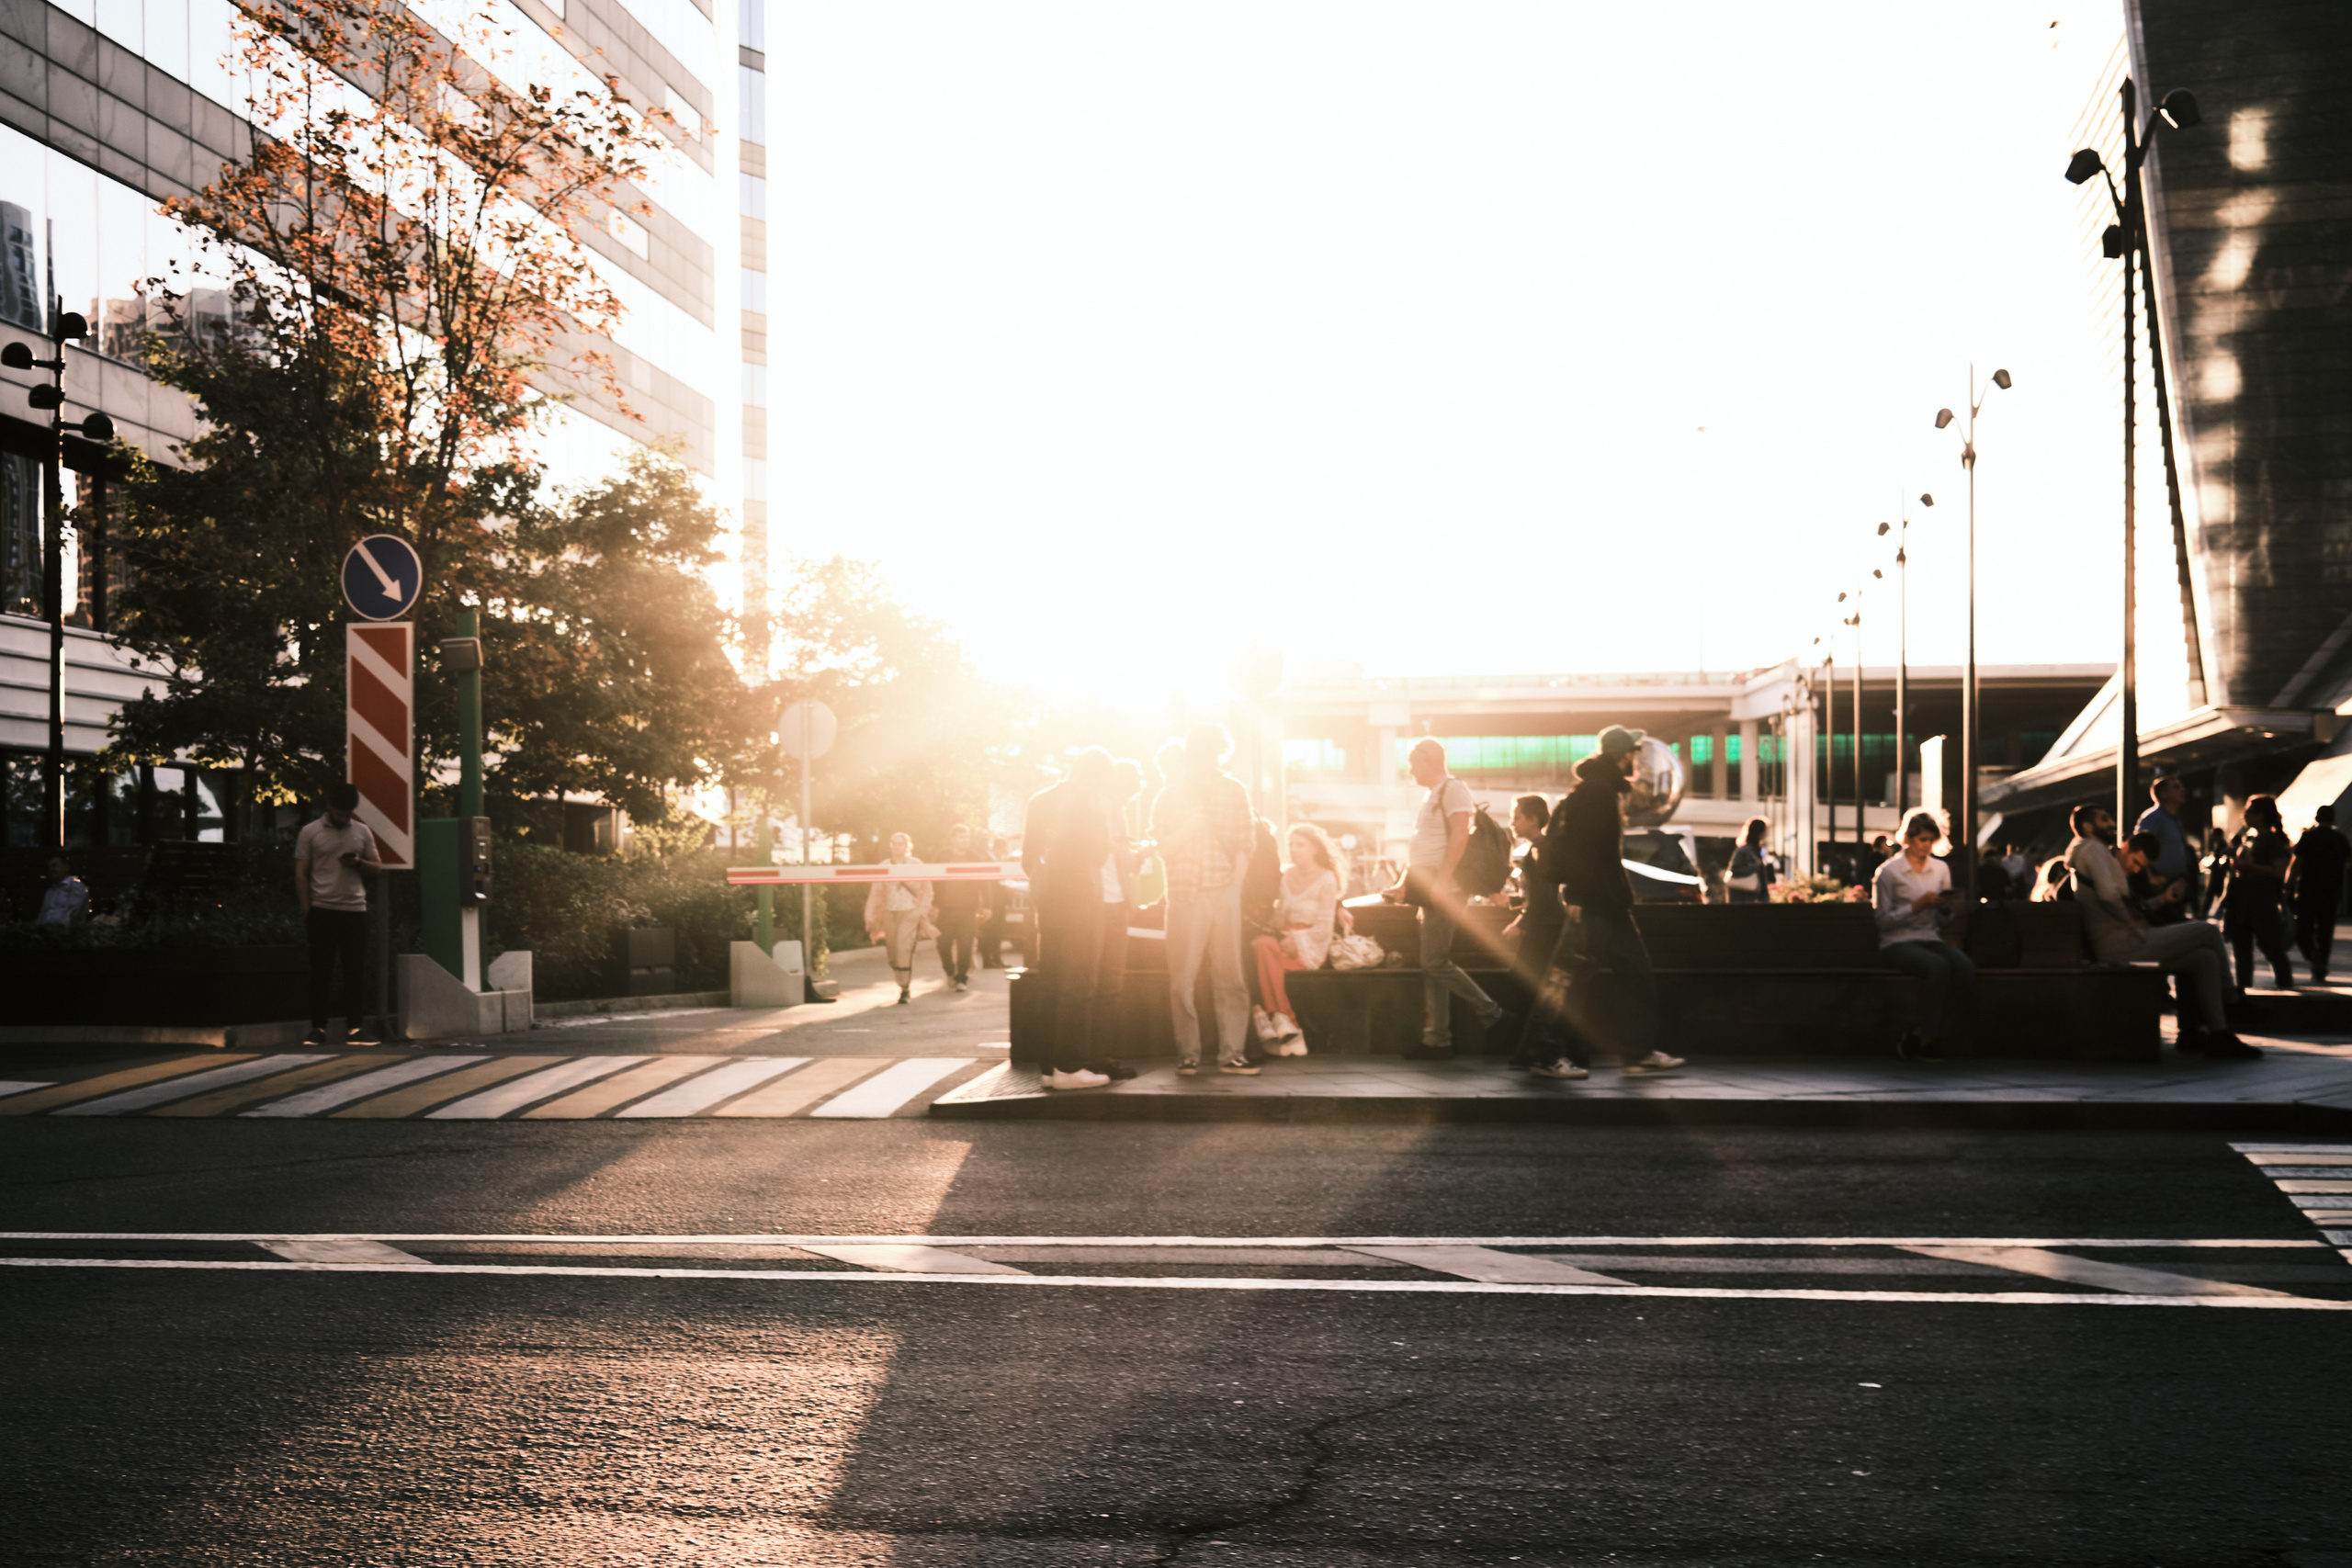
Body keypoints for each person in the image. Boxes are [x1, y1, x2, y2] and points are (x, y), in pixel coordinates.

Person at [1524, 726, 1684, 1080]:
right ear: (1620, 755)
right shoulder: (1595, 793)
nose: (1636, 760)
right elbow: (1583, 849)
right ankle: (1544, 1054)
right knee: (1568, 980)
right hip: (1593, 903)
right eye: (1633, 753)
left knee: (1635, 974)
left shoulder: (1604, 790)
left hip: (1610, 904)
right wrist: (1577, 896)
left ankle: (1637, 1052)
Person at [2066, 803, 2258, 1059]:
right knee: (2208, 931)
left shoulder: (2089, 851)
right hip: (2123, 942)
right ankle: (2232, 999)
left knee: (2205, 959)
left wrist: (2160, 900)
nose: (2112, 823)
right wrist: (2128, 922)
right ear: (2088, 827)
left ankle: (2218, 1033)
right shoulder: (2091, 849)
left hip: (2123, 942)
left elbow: (2121, 900)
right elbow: (2110, 895)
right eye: (2104, 819)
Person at [1380, 738, 1515, 1062]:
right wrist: (1403, 885)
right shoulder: (1434, 795)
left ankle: (1495, 1016)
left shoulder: (1452, 789)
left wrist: (1441, 882)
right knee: (1433, 964)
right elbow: (1424, 848)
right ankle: (1437, 1039)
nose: (1410, 770)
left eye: (1413, 763)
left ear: (1429, 760)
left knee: (1435, 962)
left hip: (1447, 889)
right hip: (1433, 888)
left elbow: (1459, 836)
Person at [1150, 726, 1259, 1076]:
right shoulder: (1169, 796)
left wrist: (1235, 885)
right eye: (1200, 753)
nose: (1207, 759)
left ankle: (1232, 1053)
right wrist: (1191, 826)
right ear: (1190, 754)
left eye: (1212, 753)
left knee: (1231, 975)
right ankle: (1188, 1054)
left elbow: (1246, 840)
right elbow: (1163, 849)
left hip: (1224, 888)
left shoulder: (1233, 790)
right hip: (1184, 891)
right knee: (1182, 977)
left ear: (1219, 754)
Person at [1023, 748, 1134, 1089]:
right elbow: (1098, 853)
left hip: (1049, 903)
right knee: (1080, 985)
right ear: (1098, 776)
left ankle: (1048, 1067)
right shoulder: (1090, 805)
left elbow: (1028, 858)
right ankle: (1070, 1068)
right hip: (1083, 901)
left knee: (1052, 983)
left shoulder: (1040, 800)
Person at [1872, 812, 1973, 1061]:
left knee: (1966, 969)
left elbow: (1944, 921)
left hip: (1930, 938)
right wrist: (1916, 906)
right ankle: (1928, 1039)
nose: (1927, 846)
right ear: (1908, 838)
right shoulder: (1889, 872)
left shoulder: (1939, 868)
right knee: (1938, 967)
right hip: (1897, 942)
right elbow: (1883, 922)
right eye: (1922, 839)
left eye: (1931, 840)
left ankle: (1920, 1032)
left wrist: (1943, 908)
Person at [294, 783, 382, 1047]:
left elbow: (376, 867)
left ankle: (354, 1028)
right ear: (329, 805)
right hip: (323, 910)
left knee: (354, 971)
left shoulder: (362, 832)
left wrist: (359, 863)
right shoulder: (310, 832)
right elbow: (301, 872)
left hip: (355, 911)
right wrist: (307, 910)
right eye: (341, 813)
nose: (345, 818)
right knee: (321, 972)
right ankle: (318, 1028)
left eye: (349, 813)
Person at [1250, 823, 1346, 1055]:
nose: (1294, 849)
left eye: (1300, 845)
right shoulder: (1287, 875)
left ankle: (1273, 1016)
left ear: (1314, 848)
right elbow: (1281, 916)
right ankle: (1286, 1021)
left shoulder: (1327, 879)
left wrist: (1296, 939)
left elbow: (1324, 927)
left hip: (1311, 944)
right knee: (1260, 944)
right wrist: (1267, 927)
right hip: (1283, 940)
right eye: (1291, 845)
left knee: (1263, 952)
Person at [1499, 795, 1566, 1067]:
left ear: (1533, 819)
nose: (1512, 823)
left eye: (1516, 817)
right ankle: (1531, 1049)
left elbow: (1543, 899)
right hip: (1547, 927)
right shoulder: (1539, 849)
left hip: (1545, 929)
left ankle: (1532, 1049)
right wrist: (1516, 903)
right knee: (1534, 985)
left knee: (1523, 981)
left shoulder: (1537, 851)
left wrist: (1520, 925)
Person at [2223, 795, 2295, 989]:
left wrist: (2248, 867)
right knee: (2242, 951)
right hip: (2244, 903)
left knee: (2271, 947)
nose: (2244, 815)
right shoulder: (2251, 838)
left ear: (2261, 815)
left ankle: (2285, 987)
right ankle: (2244, 991)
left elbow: (2278, 871)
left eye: (2249, 812)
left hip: (2262, 902)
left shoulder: (2271, 840)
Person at [864, 833, 934, 1005]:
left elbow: (928, 889)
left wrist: (922, 910)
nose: (897, 847)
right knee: (893, 953)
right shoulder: (884, 865)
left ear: (907, 846)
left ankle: (905, 988)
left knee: (904, 948)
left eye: (900, 844)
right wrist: (869, 915)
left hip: (910, 912)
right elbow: (875, 893)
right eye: (894, 843)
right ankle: (900, 976)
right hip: (889, 912)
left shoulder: (916, 865)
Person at [2289, 804, 2350, 984]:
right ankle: (2322, 962)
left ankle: (2312, 955)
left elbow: (2297, 864)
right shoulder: (2340, 838)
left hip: (2308, 890)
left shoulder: (2308, 837)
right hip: (2332, 892)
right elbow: (2348, 858)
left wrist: (2289, 887)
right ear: (2333, 819)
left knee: (2303, 929)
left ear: (2316, 818)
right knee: (2325, 930)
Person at [929, 824, 990, 991]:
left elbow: (985, 883)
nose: (965, 840)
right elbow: (933, 880)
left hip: (968, 909)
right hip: (946, 909)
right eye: (961, 837)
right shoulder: (943, 856)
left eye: (967, 837)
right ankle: (950, 972)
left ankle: (962, 979)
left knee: (966, 945)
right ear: (953, 839)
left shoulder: (975, 857)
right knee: (943, 943)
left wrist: (987, 905)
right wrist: (932, 904)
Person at [2135, 773, 2195, 923]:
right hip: (2161, 887)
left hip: (2176, 883)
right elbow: (2140, 845)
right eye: (2176, 787)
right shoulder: (2154, 817)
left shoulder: (2174, 817)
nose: (2183, 790)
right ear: (2163, 794)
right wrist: (2150, 877)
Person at [1724, 818, 1778, 905]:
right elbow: (1735, 870)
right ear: (1759, 832)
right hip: (1744, 898)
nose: (1766, 833)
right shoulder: (1745, 851)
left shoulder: (1757, 850)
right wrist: (1754, 867)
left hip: (1753, 897)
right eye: (1765, 830)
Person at [36, 853, 87, 924]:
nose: (51, 869)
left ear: (66, 867)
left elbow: (72, 914)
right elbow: (42, 915)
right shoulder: (50, 891)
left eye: (54, 866)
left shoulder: (75, 886)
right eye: (49, 867)